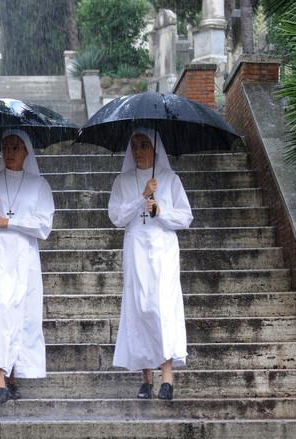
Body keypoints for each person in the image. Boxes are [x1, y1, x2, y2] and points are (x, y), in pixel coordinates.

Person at [0, 130, 55, 404]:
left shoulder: (39, 185)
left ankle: (13, 376)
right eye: (5, 147)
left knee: (22, 313)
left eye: (16, 147)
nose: (10, 152)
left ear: (27, 151)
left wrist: (9, 222)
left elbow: (44, 226)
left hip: (24, 257)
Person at [107, 127, 193, 400]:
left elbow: (186, 217)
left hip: (163, 250)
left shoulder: (170, 179)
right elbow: (116, 217)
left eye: (144, 145)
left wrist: (161, 211)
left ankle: (167, 377)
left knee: (161, 307)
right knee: (140, 307)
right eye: (134, 145)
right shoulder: (123, 181)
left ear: (155, 149)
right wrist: (141, 197)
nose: (138, 151)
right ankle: (146, 378)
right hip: (136, 250)